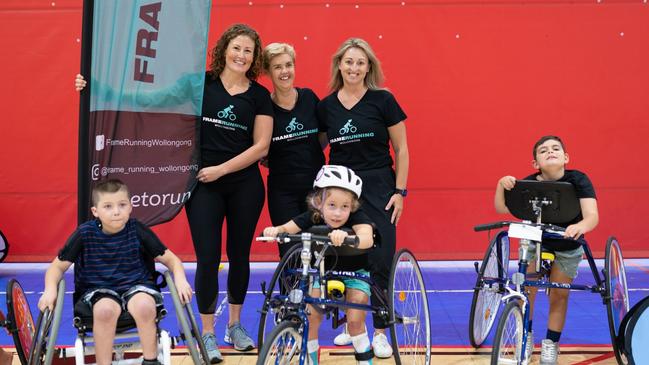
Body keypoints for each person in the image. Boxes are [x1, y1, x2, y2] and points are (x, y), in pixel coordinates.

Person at [74, 23, 273, 363]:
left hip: (244, 185)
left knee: (240, 256)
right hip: (201, 186)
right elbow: (149, 100)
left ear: (254, 58)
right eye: (237, 48)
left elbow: (261, 147)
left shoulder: (258, 95)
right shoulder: (199, 85)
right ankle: (208, 332)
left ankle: (235, 326)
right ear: (224, 49)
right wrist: (97, 88)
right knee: (208, 257)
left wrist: (222, 169)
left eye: (248, 51)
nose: (241, 55)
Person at [316, 38, 409, 356]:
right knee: (343, 255)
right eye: (348, 61)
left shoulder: (383, 100)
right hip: (342, 192)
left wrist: (400, 192)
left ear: (369, 67)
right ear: (339, 65)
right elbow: (315, 147)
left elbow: (402, 150)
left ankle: (380, 329)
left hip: (379, 186)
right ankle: (351, 324)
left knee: (381, 258)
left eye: (360, 62)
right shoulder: (326, 106)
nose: (354, 67)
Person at [37, 179, 193, 365]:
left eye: (122, 205)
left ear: (130, 207)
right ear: (96, 212)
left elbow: (172, 260)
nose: (116, 211)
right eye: (108, 206)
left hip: (136, 287)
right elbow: (56, 267)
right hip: (97, 291)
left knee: (145, 306)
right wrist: (50, 289)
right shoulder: (85, 233)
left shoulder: (137, 230)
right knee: (105, 310)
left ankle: (151, 361)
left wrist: (181, 278)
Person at [494, 135, 599, 365]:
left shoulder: (579, 180)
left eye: (555, 148)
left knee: (559, 294)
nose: (550, 152)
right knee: (527, 289)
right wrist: (501, 185)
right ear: (535, 163)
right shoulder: (528, 186)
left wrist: (580, 226)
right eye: (543, 150)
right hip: (536, 244)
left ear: (566, 157)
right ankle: (526, 335)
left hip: (567, 245)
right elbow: (501, 208)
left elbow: (592, 216)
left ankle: (551, 343)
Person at [262, 165, 375, 365]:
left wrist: (351, 237)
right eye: (331, 205)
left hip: (355, 274)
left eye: (345, 207)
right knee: (311, 318)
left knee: (355, 321)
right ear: (318, 203)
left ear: (353, 206)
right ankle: (311, 359)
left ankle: (364, 358)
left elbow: (367, 237)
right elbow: (288, 227)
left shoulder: (357, 218)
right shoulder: (312, 216)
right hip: (322, 273)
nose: (338, 213)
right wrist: (276, 230)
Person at [261, 42, 325, 258]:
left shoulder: (309, 98)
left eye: (288, 65)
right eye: (277, 67)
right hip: (282, 191)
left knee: (318, 250)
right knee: (289, 252)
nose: (285, 71)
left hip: (315, 187)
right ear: (268, 72)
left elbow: (323, 137)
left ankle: (315, 293)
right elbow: (259, 144)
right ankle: (290, 292)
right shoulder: (263, 106)